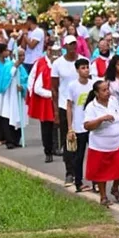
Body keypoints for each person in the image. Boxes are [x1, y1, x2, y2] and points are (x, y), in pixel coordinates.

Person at [83, 80, 119, 206]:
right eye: (103, 90)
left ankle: (115, 188)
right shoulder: (92, 107)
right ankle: (103, 196)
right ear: (97, 93)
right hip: (100, 145)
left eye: (107, 89)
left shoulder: (113, 101)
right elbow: (87, 126)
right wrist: (101, 119)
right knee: (101, 173)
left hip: (116, 143)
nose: (107, 92)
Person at [52, 35, 81, 186]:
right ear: (65, 46)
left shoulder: (82, 61)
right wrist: (56, 111)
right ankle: (69, 172)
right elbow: (54, 89)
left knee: (81, 141)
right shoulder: (58, 64)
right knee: (68, 140)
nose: (72, 47)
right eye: (69, 45)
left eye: (74, 44)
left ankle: (79, 173)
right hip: (64, 105)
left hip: (80, 106)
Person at [28, 43, 61, 163]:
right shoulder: (44, 68)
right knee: (47, 127)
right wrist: (50, 94)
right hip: (47, 103)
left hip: (59, 101)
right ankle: (48, 151)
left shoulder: (62, 67)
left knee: (59, 126)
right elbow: (37, 87)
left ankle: (57, 148)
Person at [66, 58, 96, 192]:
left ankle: (96, 182)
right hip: (79, 126)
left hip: (92, 124)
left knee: (95, 154)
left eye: (87, 67)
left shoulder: (93, 84)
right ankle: (78, 181)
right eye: (83, 68)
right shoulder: (72, 86)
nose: (86, 70)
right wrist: (70, 127)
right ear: (77, 70)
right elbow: (69, 106)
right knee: (79, 155)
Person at [0, 46, 28, 149]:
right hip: (9, 96)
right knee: (8, 117)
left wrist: (23, 87)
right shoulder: (8, 65)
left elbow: (26, 80)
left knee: (18, 117)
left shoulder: (22, 68)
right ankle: (9, 141)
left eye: (23, 55)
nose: (22, 57)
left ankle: (16, 140)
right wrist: (14, 67)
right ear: (15, 56)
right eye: (20, 55)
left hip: (18, 97)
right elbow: (6, 78)